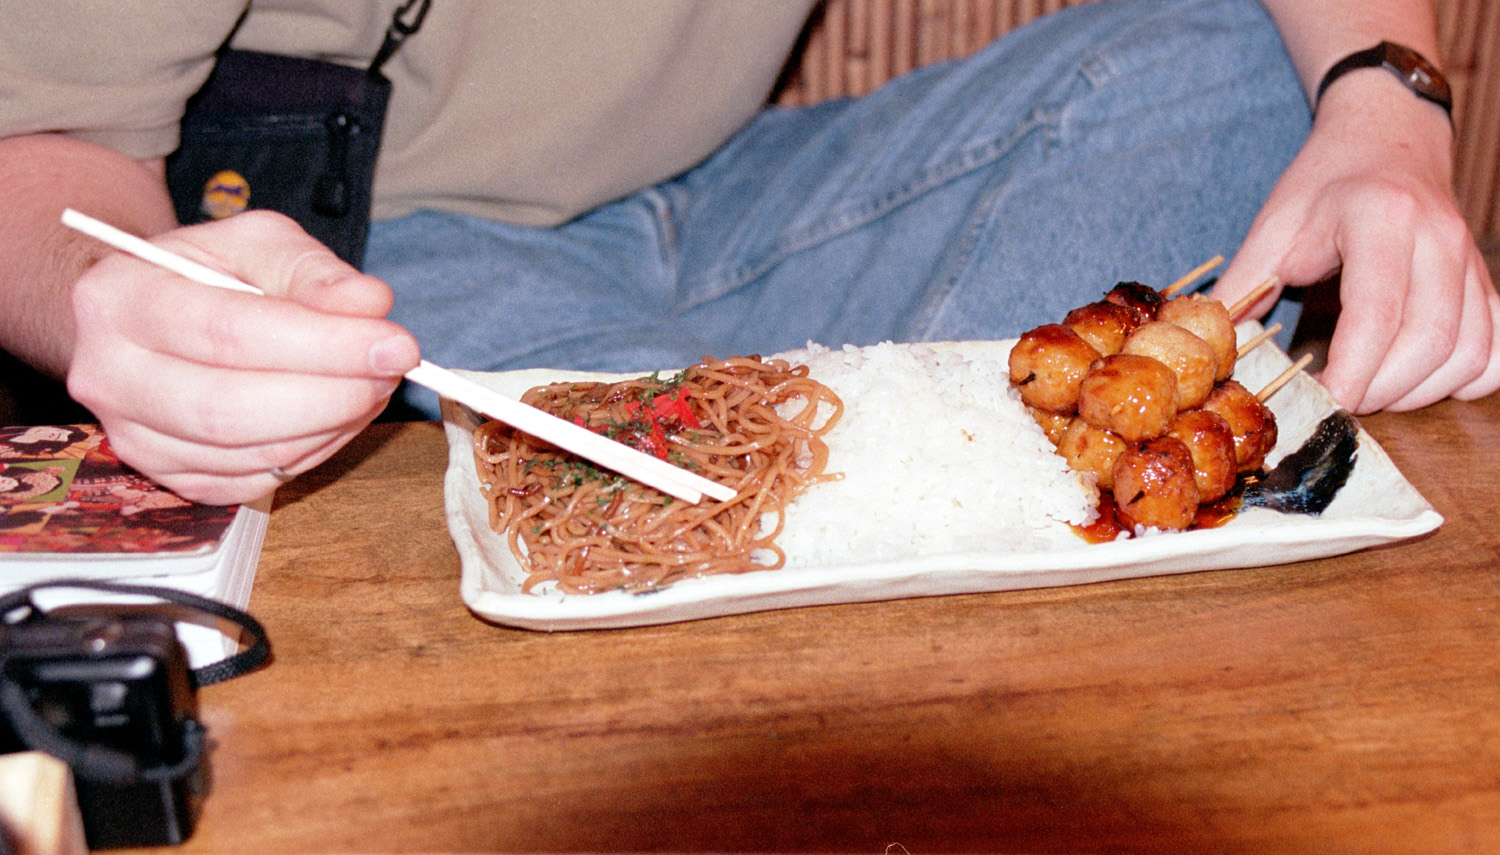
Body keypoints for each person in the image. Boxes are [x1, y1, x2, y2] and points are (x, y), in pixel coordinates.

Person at [0, 0, 1495, 507]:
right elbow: (39, 145)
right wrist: (108, 308)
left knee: (1232, 68)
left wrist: (1391, 105)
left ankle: (898, 469)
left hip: (731, 189)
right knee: (685, 491)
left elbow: (1346, 76)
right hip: (392, 244)